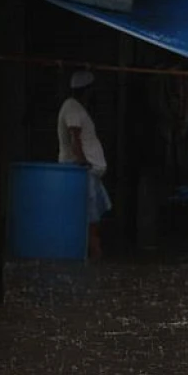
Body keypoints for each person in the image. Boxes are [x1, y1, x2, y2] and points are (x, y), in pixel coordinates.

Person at [57, 70, 111, 259]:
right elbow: (75, 135)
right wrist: (81, 161)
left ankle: (94, 253)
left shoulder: (77, 107)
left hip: (87, 173)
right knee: (90, 219)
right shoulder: (72, 108)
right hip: (81, 173)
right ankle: (94, 253)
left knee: (94, 216)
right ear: (87, 90)